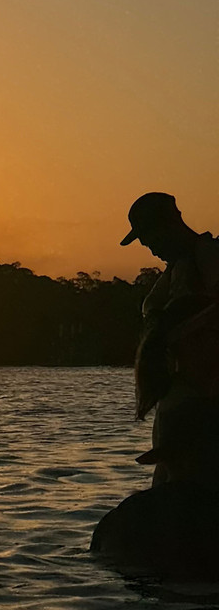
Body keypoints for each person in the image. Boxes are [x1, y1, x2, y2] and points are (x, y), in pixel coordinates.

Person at [121, 192, 219, 486]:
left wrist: (173, 331)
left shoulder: (207, 254)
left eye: (150, 238)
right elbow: (151, 305)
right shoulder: (179, 265)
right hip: (184, 389)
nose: (150, 248)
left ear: (171, 223)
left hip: (204, 392)